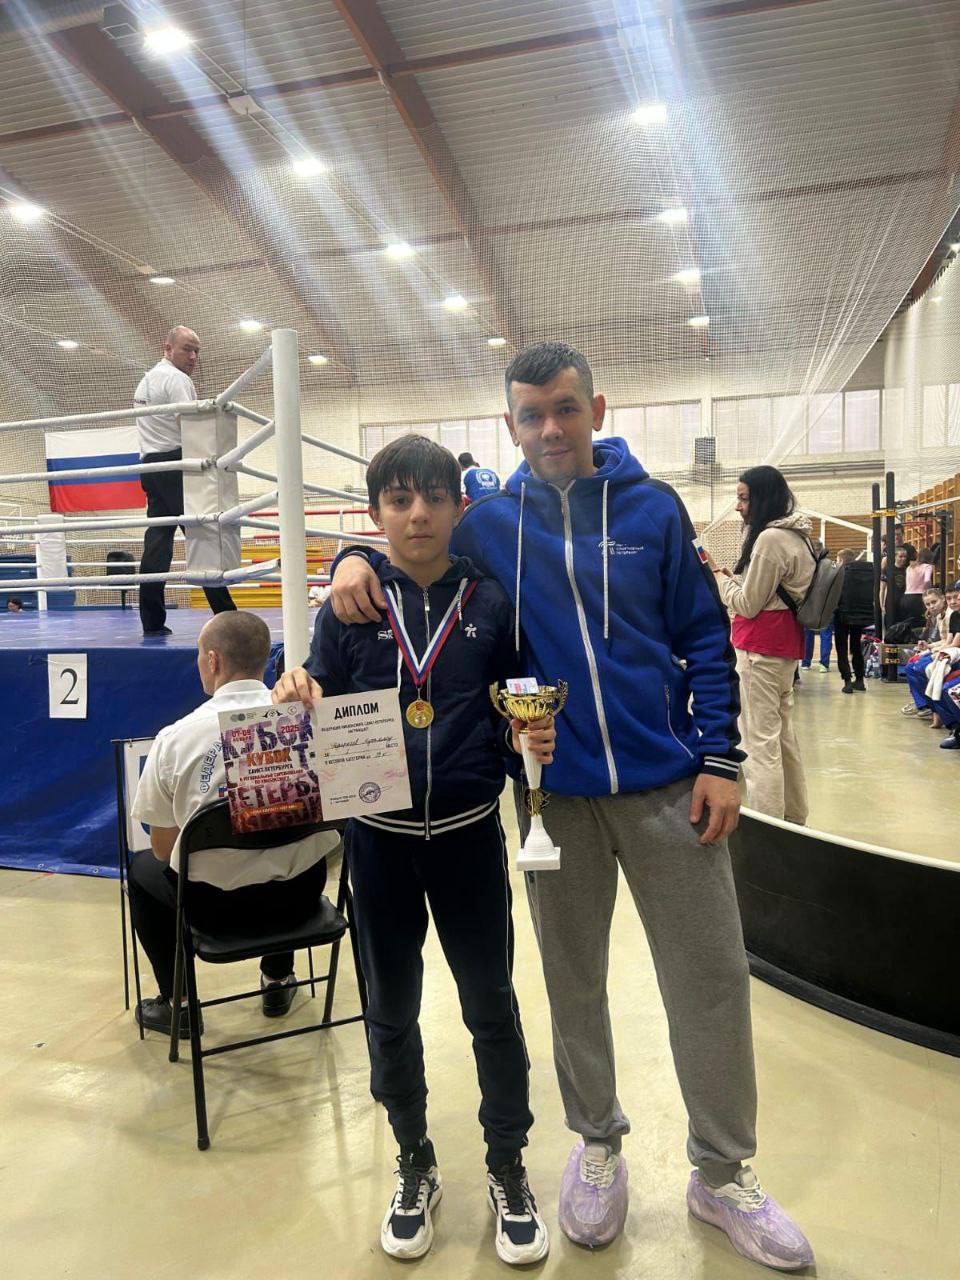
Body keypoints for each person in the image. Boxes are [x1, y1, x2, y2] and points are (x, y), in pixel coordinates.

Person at [326, 343, 813, 1272]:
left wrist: (721, 758)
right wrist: (352, 555)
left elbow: (705, 637)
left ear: (596, 409)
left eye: (564, 409)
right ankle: (597, 1146)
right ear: (510, 424)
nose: (549, 429)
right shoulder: (489, 523)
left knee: (709, 979)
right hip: (553, 801)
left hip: (670, 787)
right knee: (572, 983)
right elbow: (414, 552)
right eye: (531, 415)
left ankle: (722, 1172)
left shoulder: (653, 509)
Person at [274, 435, 552, 1266]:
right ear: (376, 514)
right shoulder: (349, 606)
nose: (418, 514)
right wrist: (296, 689)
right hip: (380, 848)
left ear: (458, 507)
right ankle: (415, 1161)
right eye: (399, 500)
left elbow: (520, 698)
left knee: (490, 1007)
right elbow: (317, 692)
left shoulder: (492, 600)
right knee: (390, 1013)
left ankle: (507, 1165)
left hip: (469, 840)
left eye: (433, 498)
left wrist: (530, 734)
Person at [128, 611, 337, 1035]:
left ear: (213, 660)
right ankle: (277, 979)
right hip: (302, 897)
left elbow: (165, 850)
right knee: (282, 842)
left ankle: (180, 1005)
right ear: (266, 658)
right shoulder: (311, 722)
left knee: (143, 868)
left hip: (216, 911)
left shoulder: (176, 738)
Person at [712, 466, 813, 825]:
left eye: (743, 498)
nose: (739, 506)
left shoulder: (770, 539)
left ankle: (769, 824)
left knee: (759, 742)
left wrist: (718, 579)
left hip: (760, 650)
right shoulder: (798, 537)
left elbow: (747, 604)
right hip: (783, 649)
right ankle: (793, 816)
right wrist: (736, 580)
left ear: (762, 498)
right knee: (782, 738)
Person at [135, 326, 236, 636]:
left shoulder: (147, 379)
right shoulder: (177, 379)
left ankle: (152, 621)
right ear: (168, 348)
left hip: (151, 465)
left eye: (196, 351)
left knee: (158, 541)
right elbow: (191, 427)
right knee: (202, 533)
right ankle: (227, 616)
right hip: (177, 463)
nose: (193, 357)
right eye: (187, 349)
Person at [833, 549, 873, 693]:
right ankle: (860, 680)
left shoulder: (840, 573)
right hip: (860, 616)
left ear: (841, 560)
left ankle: (847, 681)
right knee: (856, 647)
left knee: (842, 648)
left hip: (842, 615)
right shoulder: (867, 573)